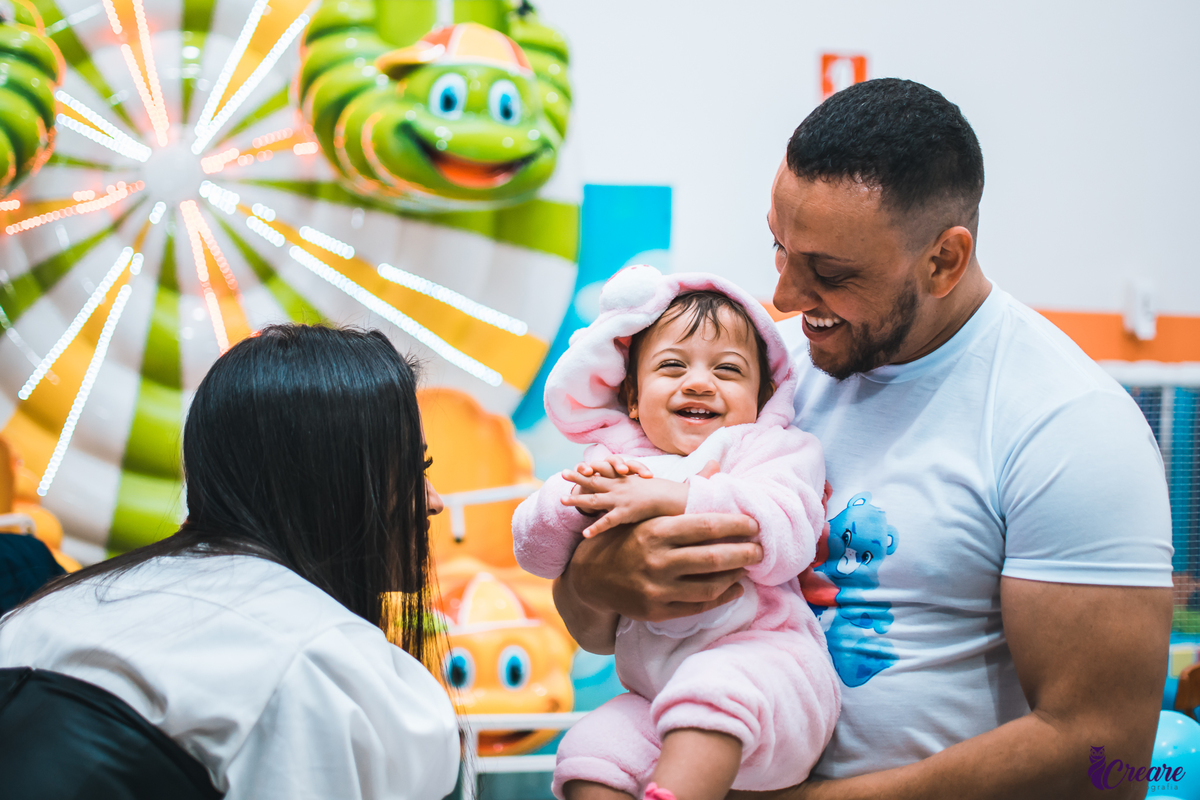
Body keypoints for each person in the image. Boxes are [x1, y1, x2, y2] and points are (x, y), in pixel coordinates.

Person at [550, 78, 1173, 798]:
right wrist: (592, 581)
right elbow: (595, 623)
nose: (784, 296)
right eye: (780, 248)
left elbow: (1102, 753)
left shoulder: (1067, 423)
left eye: (829, 272)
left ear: (943, 260)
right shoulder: (759, 378)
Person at [0, 325, 460, 800]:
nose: (434, 502)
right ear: (332, 485)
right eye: (415, 470)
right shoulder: (319, 671)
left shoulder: (36, 615)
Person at [513, 268, 839, 800]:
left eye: (727, 369)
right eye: (672, 366)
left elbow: (788, 534)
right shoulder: (616, 463)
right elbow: (536, 553)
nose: (699, 383)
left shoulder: (771, 450)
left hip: (771, 674)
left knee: (710, 690)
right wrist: (572, 500)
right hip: (654, 695)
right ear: (633, 397)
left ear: (762, 397)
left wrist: (677, 497)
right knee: (591, 750)